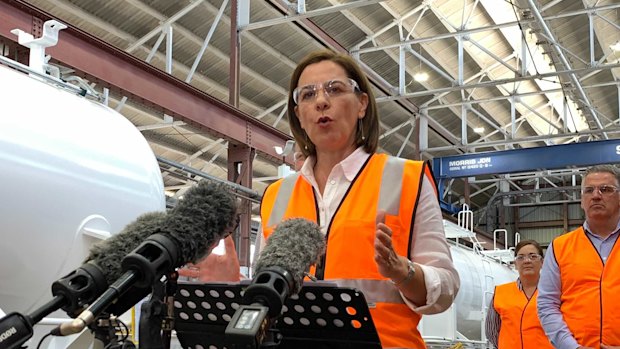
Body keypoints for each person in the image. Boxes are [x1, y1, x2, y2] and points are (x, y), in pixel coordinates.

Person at [256, 49, 459, 348]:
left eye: (335, 89)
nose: (321, 101)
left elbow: (445, 288)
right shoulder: (277, 194)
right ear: (298, 114)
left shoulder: (405, 178)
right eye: (308, 95)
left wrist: (404, 273)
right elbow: (265, 292)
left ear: (362, 104)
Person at [538, 164, 620, 349]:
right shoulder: (560, 247)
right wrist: (571, 347)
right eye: (589, 190)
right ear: (582, 200)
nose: (596, 195)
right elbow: (547, 304)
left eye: (605, 189)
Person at [485, 240, 553, 349]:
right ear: (515, 264)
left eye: (533, 256)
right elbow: (491, 332)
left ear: (542, 262)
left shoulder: (554, 293)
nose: (527, 261)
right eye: (520, 257)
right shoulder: (500, 293)